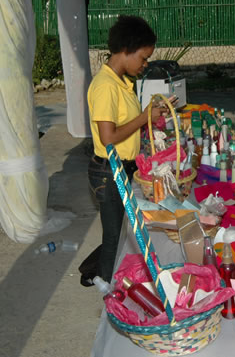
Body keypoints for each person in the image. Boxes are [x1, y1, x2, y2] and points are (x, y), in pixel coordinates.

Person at [83, 15, 166, 284]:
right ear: (126, 50)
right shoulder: (105, 86)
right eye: (143, 58)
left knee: (119, 231)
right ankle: (107, 289)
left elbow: (126, 126)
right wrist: (144, 118)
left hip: (121, 167)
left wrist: (148, 120)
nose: (145, 64)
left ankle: (99, 273)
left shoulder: (121, 81)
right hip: (109, 171)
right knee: (113, 236)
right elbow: (109, 137)